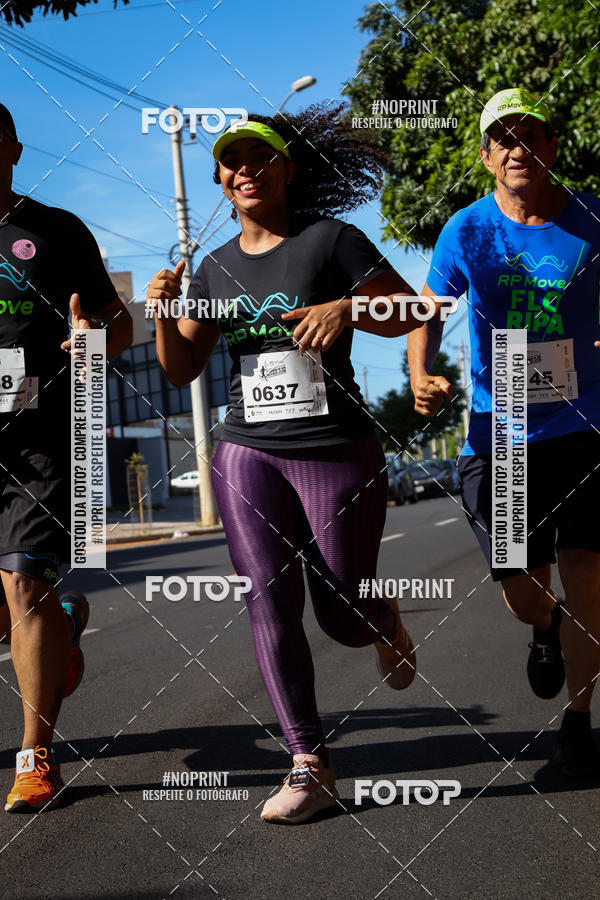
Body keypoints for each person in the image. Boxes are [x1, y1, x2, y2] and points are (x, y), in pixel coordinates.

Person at [148, 105, 423, 824]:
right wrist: (162, 313)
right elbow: (181, 369)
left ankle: (384, 623)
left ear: (288, 169)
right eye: (232, 162)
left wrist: (348, 310)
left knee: (342, 615)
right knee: (266, 599)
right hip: (247, 450)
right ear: (220, 179)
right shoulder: (214, 267)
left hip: (335, 446)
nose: (246, 170)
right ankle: (308, 761)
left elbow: (412, 311)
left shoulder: (330, 240)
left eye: (260, 158)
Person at [407, 87, 600, 776]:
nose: (519, 150)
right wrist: (420, 373)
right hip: (505, 433)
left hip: (586, 425)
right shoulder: (468, 230)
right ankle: (545, 626)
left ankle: (578, 723)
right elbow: (427, 309)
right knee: (522, 586)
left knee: (587, 570)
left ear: (552, 148)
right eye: (504, 140)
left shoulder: (591, 218)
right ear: (488, 157)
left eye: (530, 137)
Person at [0, 103, 133, 812]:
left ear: (14, 150)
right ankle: (65, 628)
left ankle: (35, 757)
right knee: (13, 609)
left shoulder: (56, 230)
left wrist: (90, 340)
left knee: (24, 585)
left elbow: (120, 324)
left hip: (43, 436)